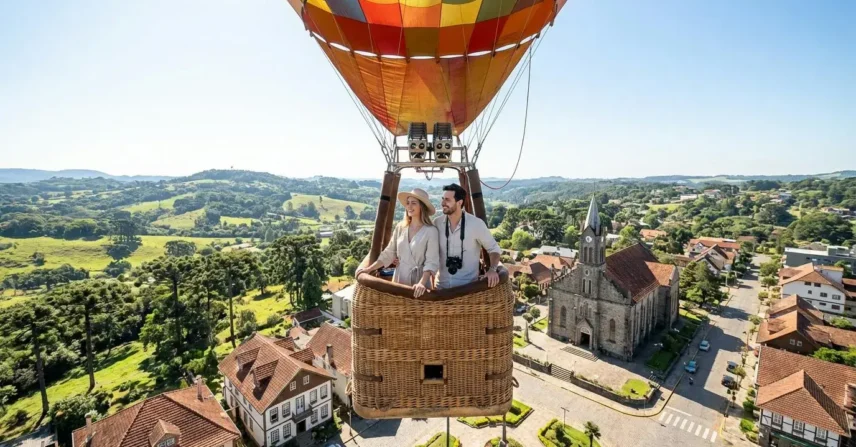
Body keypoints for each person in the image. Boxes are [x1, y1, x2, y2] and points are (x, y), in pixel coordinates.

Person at [356, 188, 439, 298]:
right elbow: (389, 253)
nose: (409, 206)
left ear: (422, 206)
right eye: (408, 203)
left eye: (414, 203)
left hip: (419, 283)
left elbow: (431, 261)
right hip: (399, 278)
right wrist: (369, 269)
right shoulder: (401, 227)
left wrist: (421, 283)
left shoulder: (431, 231)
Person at [434, 183, 502, 289]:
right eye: (442, 199)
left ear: (459, 202)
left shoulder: (476, 224)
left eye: (447, 200)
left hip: (468, 290)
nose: (443, 203)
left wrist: (492, 269)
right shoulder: (437, 223)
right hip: (441, 289)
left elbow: (494, 249)